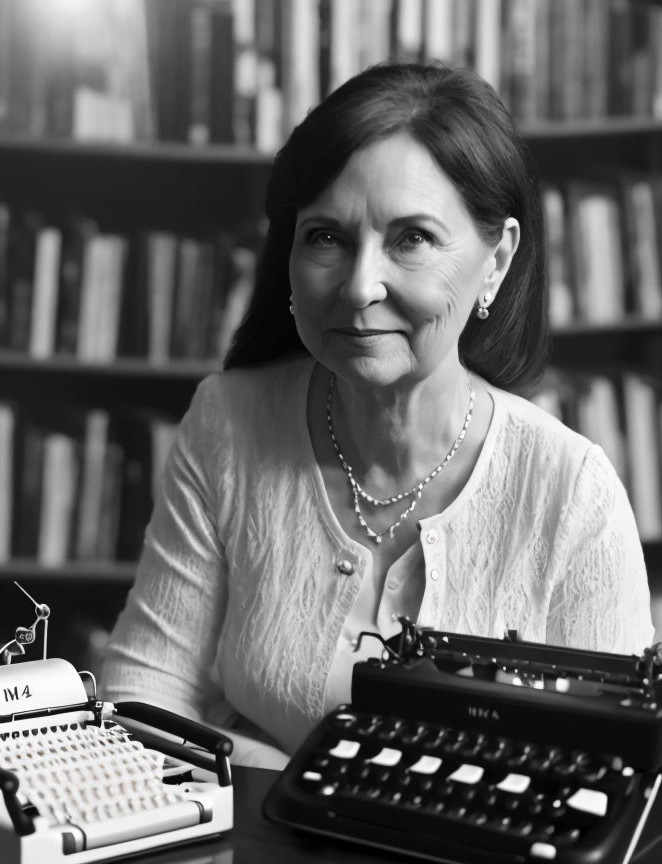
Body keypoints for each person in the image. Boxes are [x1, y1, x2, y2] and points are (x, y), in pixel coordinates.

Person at [100, 62, 654, 769]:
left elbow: (613, 772)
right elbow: (140, 693)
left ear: (497, 260)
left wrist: (272, 766)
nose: (360, 287)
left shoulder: (573, 491)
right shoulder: (228, 421)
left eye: (412, 238)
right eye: (326, 237)